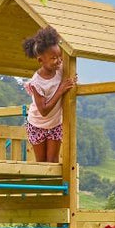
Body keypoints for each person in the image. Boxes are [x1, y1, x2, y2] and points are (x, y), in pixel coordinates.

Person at [21, 25, 77, 163]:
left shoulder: (60, 69)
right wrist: (61, 89)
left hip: (55, 124)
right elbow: (44, 110)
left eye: (59, 56)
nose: (58, 61)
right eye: (53, 58)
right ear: (41, 60)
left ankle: (55, 184)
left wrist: (72, 80)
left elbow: (69, 73)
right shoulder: (36, 82)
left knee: (52, 161)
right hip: (37, 124)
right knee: (42, 163)